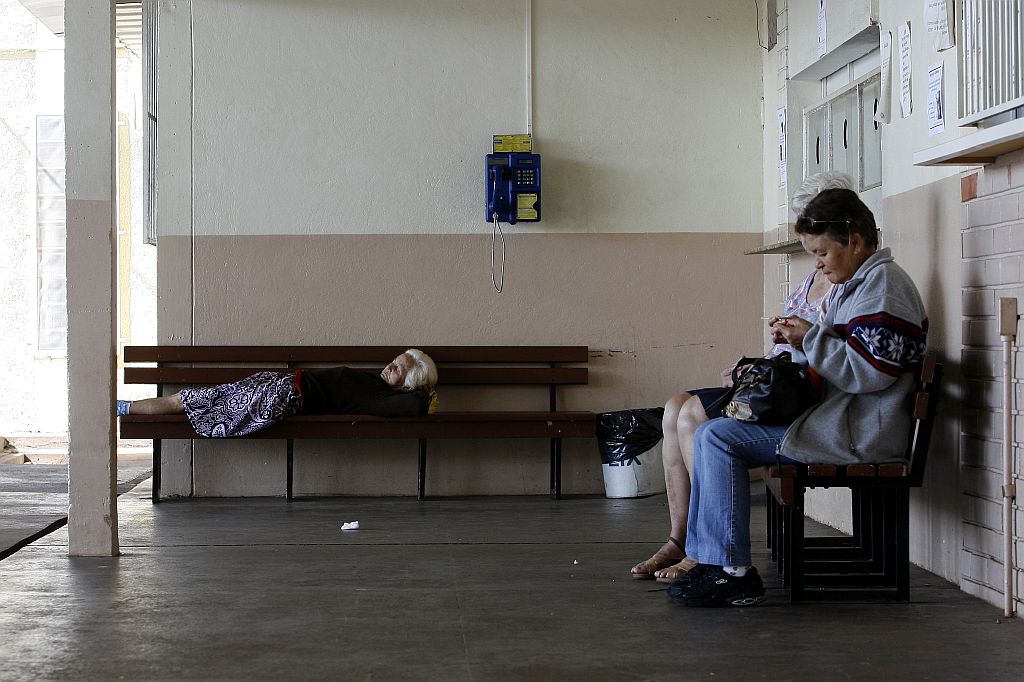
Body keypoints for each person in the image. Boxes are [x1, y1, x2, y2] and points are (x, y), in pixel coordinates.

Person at [666, 188, 928, 607]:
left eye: (822, 252)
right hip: (843, 420)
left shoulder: (883, 289)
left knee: (716, 437)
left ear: (854, 241)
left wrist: (810, 337)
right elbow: (848, 358)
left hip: (857, 432)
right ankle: (714, 563)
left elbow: (871, 374)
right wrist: (801, 340)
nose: (819, 264)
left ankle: (730, 571)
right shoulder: (861, 283)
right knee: (713, 432)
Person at [630, 171, 851, 583]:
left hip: (799, 394)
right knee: (673, 408)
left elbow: (828, 349)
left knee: (694, 417)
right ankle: (680, 537)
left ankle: (703, 547)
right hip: (777, 380)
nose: (807, 235)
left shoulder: (845, 281)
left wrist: (795, 341)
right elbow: (788, 341)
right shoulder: (813, 276)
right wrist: (754, 363)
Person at [116, 349, 438, 438]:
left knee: (192, 404)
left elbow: (414, 407)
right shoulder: (377, 385)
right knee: (188, 399)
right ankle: (123, 407)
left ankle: (124, 409)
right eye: (393, 361)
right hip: (280, 382)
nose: (388, 367)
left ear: (408, 385)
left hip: (284, 397)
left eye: (398, 368)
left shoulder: (382, 399)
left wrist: (425, 395)